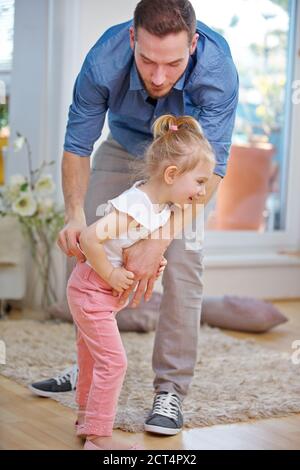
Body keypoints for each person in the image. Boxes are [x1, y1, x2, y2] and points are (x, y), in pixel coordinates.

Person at [29, 0, 238, 435]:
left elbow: (212, 170)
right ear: (131, 39)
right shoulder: (103, 60)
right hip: (123, 147)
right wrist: (73, 216)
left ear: (194, 45)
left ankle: (171, 391)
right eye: (147, 60)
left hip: (190, 165)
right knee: (87, 248)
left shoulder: (218, 69)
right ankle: (89, 363)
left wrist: (157, 240)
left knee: (183, 266)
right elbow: (78, 144)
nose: (159, 77)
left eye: (174, 63)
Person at [67, 114, 215, 450]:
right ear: (172, 174)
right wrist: (111, 274)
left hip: (99, 294)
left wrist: (153, 258)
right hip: (92, 291)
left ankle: (85, 419)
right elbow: (90, 239)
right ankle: (99, 437)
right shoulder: (136, 206)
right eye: (201, 182)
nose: (203, 192)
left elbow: (129, 241)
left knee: (92, 358)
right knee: (114, 362)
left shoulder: (161, 206)